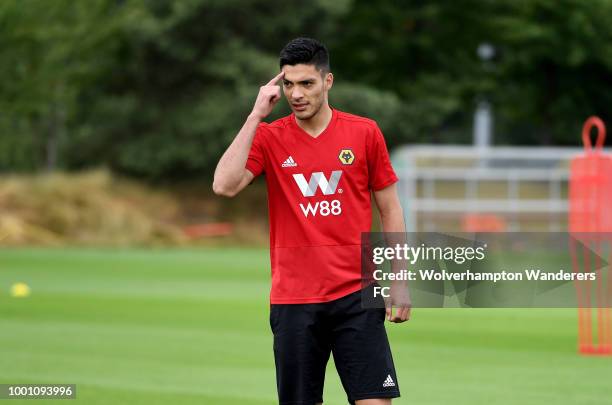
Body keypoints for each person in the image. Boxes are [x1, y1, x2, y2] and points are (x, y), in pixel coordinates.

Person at [213, 37, 411, 405]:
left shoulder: (364, 132)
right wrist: (255, 116)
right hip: (294, 298)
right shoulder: (269, 137)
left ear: (328, 81)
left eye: (307, 83)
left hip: (358, 293)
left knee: (375, 401)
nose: (296, 93)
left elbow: (391, 208)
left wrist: (399, 278)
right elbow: (224, 185)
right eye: (288, 84)